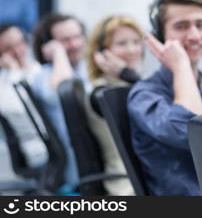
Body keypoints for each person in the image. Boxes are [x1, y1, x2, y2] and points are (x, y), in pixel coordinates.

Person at [128, 0, 202, 195]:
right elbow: (188, 131)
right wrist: (181, 66)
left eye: (201, 25)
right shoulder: (143, 95)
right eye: (181, 27)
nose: (195, 36)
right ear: (160, 37)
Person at [31, 13, 90, 194]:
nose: (74, 45)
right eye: (65, 40)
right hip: (80, 168)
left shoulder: (84, 68)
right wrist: (58, 53)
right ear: (49, 44)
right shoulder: (44, 75)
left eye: (77, 37)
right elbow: (64, 92)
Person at [86, 15, 145, 195]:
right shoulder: (102, 93)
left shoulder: (125, 88)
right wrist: (128, 74)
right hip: (127, 186)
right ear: (102, 53)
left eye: (136, 42)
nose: (132, 50)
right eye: (122, 44)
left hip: (141, 178)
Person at [0, 24, 48, 169]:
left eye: (20, 42)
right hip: (38, 150)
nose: (18, 51)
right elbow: (24, 109)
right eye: (9, 48)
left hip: (56, 144)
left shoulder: (38, 70)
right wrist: (14, 71)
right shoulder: (5, 83)